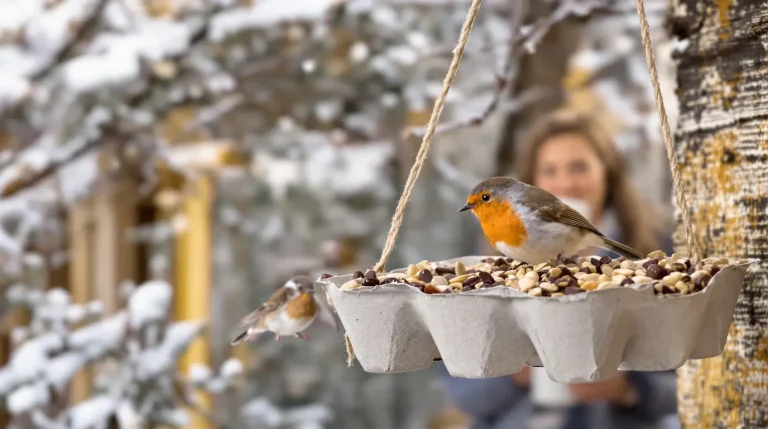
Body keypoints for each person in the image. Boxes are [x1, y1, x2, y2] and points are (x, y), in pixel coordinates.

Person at [440, 109, 679, 429]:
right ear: (534, 175)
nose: (565, 182)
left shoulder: (655, 255)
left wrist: (628, 389)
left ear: (607, 172)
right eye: (550, 170)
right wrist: (513, 371)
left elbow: (687, 378)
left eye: (579, 167)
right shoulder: (488, 262)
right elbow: (459, 388)